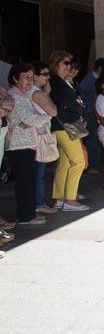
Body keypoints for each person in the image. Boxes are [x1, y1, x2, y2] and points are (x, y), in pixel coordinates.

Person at [7, 63, 54, 226]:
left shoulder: (24, 95)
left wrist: (37, 119)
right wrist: (48, 116)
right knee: (25, 183)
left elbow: (32, 119)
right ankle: (25, 216)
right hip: (20, 146)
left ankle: (29, 213)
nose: (30, 81)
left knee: (29, 181)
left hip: (28, 144)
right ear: (15, 78)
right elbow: (31, 118)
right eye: (26, 77)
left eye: (31, 78)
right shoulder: (15, 96)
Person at [49, 51, 89, 212]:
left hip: (64, 126)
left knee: (65, 163)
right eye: (65, 63)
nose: (69, 66)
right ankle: (70, 200)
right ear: (56, 64)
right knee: (78, 162)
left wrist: (77, 103)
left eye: (70, 63)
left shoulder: (62, 82)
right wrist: (78, 104)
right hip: (64, 126)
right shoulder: (56, 83)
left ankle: (59, 198)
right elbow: (68, 104)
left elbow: (77, 102)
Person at [29, 61, 58, 215]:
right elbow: (53, 111)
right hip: (38, 136)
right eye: (45, 74)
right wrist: (47, 95)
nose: (48, 77)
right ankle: (38, 203)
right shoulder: (36, 92)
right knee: (38, 173)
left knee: (37, 173)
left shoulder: (32, 91)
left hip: (36, 135)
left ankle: (37, 203)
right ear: (35, 76)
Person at [79, 58, 104, 174]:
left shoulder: (96, 78)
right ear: (100, 68)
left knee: (96, 139)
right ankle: (92, 165)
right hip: (90, 113)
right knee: (92, 139)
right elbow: (82, 96)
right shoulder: (89, 79)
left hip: (96, 112)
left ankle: (96, 163)